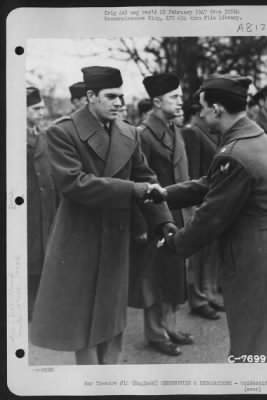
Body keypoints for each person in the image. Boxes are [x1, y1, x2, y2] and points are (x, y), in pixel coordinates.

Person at [30, 66, 174, 365]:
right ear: (90, 97)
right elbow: (75, 184)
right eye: (111, 96)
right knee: (83, 317)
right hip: (79, 237)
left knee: (111, 311)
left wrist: (164, 221)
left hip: (116, 236)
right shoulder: (62, 131)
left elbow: (147, 177)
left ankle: (110, 373)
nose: (119, 102)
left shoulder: (128, 133)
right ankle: (90, 376)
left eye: (121, 96)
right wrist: (133, 189)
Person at [147, 74, 267, 361]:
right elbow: (213, 182)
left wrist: (173, 244)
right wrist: (166, 194)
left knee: (253, 336)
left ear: (217, 109)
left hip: (255, 254)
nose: (199, 113)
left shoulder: (234, 153)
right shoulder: (254, 136)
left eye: (202, 106)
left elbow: (210, 218)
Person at [128, 73, 194, 356]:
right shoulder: (142, 134)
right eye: (174, 97)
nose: (181, 102)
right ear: (157, 101)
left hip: (177, 216)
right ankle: (155, 333)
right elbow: (136, 181)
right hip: (154, 220)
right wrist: (141, 224)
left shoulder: (173, 128)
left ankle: (170, 325)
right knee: (154, 279)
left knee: (173, 275)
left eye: (180, 96)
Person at [181, 103, 223, 320]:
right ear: (199, 110)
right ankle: (197, 298)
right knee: (198, 254)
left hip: (213, 198)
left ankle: (208, 292)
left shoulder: (210, 130)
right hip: (201, 200)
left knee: (210, 251)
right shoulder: (192, 131)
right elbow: (193, 170)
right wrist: (195, 203)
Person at [26, 87, 58, 320]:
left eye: (41, 107)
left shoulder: (43, 136)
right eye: (35, 108)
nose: (42, 112)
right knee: (28, 256)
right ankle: (28, 306)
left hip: (45, 206)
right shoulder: (13, 138)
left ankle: (39, 304)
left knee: (42, 253)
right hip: (26, 209)